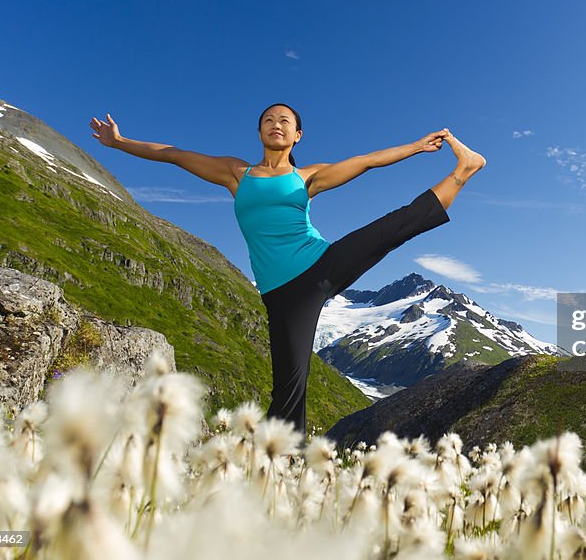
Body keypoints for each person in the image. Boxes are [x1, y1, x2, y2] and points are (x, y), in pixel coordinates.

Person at [90, 104, 485, 436]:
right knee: (288, 387)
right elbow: (172, 153)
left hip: (318, 264)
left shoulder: (306, 177)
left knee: (394, 227)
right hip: (279, 293)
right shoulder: (236, 174)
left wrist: (416, 147)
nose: (276, 124)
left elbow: (365, 162)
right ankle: (281, 468)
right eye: (268, 120)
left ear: (297, 135)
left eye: (284, 121)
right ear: (259, 131)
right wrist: (120, 142)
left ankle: (463, 170)